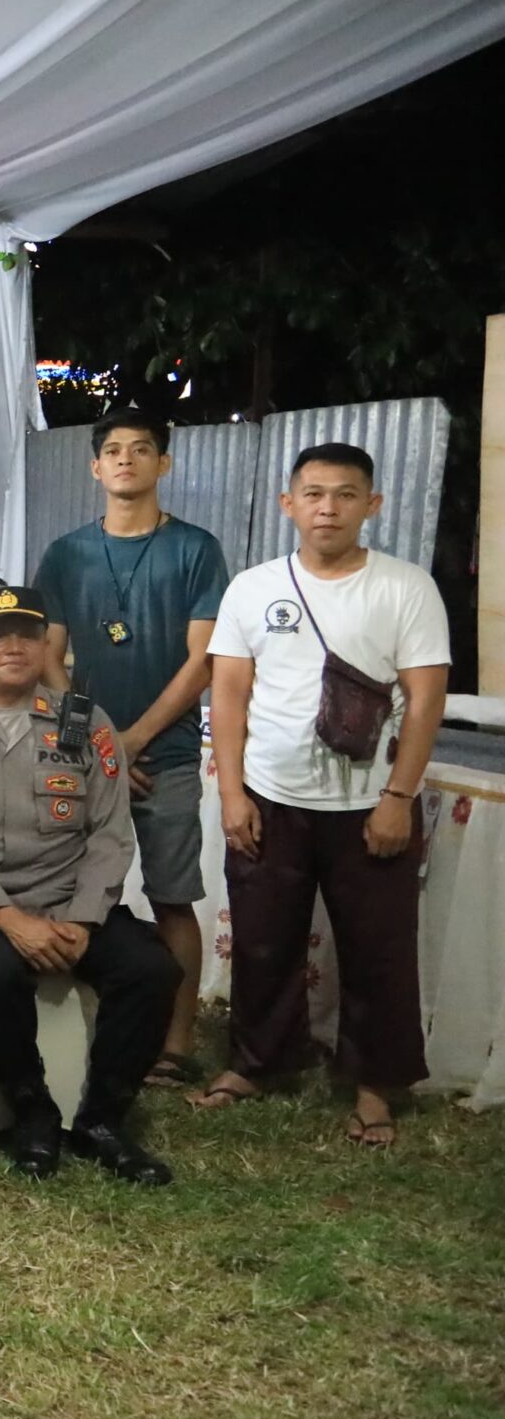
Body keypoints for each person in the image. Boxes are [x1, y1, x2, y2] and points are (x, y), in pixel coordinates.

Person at [196, 443, 449, 1148]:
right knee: (263, 936)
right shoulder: (251, 586)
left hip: (372, 801)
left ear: (372, 505)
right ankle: (258, 1060)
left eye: (344, 495)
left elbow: (426, 697)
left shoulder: (406, 587)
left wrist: (399, 794)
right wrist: (234, 792)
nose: (327, 508)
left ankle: (374, 1085)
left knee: (379, 947)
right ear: (288, 504)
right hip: (271, 796)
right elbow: (229, 693)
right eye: (312, 494)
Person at [0, 584, 175, 1185]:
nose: (13, 646)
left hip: (70, 902)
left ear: (45, 645)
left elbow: (111, 831)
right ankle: (31, 1109)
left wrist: (85, 920)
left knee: (151, 969)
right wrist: (8, 920)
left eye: (27, 634)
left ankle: (104, 1120)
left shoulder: (85, 724)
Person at [34, 418, 229, 1090]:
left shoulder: (196, 549)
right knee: (79, 893)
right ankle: (87, 1032)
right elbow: (48, 656)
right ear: (95, 468)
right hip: (83, 755)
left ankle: (175, 1044)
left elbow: (203, 659)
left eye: (140, 450)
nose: (125, 461)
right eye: (112, 451)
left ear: (163, 463)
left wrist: (134, 738)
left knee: (174, 898)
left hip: (167, 753)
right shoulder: (65, 553)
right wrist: (99, 739)